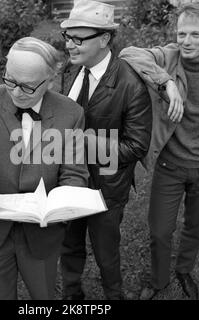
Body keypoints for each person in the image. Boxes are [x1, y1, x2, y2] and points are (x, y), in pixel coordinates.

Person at [0, 37, 89, 300]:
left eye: (28, 86)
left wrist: (61, 205)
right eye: (10, 80)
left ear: (50, 81)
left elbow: (75, 173)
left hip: (42, 234)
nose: (17, 92)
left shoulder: (71, 113)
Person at [119, 2, 199, 299]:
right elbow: (127, 54)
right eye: (182, 33)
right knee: (160, 231)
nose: (186, 41)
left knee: (195, 226)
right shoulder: (168, 57)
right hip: (170, 166)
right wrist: (166, 84)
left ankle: (184, 269)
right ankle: (159, 279)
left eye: (195, 35)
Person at [59, 0, 152, 300]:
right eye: (67, 37)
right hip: (68, 180)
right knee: (69, 245)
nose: (70, 46)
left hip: (106, 189)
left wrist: (79, 140)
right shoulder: (69, 71)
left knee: (106, 251)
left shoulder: (131, 84)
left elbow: (136, 146)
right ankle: (71, 295)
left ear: (104, 39)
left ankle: (115, 295)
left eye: (78, 38)